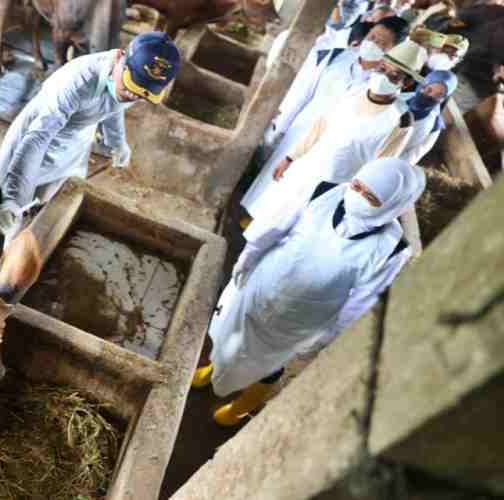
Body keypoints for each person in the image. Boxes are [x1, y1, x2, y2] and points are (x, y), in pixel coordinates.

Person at [194, 158, 426, 426]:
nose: (358, 197)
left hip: (302, 318)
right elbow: (275, 227)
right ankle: (214, 370)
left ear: (392, 206)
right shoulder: (324, 192)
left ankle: (240, 407)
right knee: (229, 332)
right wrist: (248, 257)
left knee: (267, 363)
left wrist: (325, 338)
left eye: (372, 198)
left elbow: (361, 302)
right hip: (264, 285)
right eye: (357, 186)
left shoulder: (392, 249)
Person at [0, 31, 180, 243]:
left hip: (74, 148)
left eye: (142, 93)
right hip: (36, 141)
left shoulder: (132, 83)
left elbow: (115, 105)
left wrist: (117, 143)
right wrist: (13, 199)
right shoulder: (77, 82)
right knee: (6, 215)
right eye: (131, 87)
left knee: (46, 211)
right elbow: (37, 139)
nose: (133, 96)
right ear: (120, 57)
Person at [243, 17, 410, 223]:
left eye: (382, 43)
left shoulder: (378, 86)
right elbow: (304, 94)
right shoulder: (336, 56)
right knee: (271, 180)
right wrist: (282, 125)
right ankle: (249, 218)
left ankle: (267, 227)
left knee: (297, 195)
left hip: (329, 143)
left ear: (394, 51)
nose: (373, 43)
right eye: (372, 36)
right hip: (300, 131)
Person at [402, 70, 458, 163]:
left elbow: (413, 156)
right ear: (422, 85)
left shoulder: (434, 126)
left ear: (443, 99)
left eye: (439, 95)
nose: (430, 96)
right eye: (429, 90)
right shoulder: (397, 98)